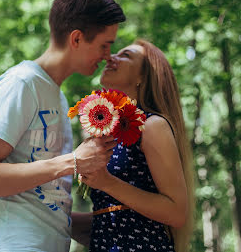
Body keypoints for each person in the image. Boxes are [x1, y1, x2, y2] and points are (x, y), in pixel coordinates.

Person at [0, 0, 126, 252]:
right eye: (104, 45)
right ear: (77, 39)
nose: (108, 56)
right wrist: (71, 162)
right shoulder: (22, 83)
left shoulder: (57, 96)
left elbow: (45, 205)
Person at [73, 40, 195, 252]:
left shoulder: (151, 125)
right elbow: (113, 216)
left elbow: (176, 213)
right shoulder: (108, 131)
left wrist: (107, 182)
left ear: (143, 78)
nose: (111, 57)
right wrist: (49, 215)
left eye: (126, 55)